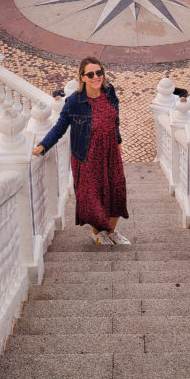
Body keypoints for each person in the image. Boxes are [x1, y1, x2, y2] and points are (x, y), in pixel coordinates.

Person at [33, 57, 129, 246]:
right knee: (93, 197)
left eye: (99, 72)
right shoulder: (74, 102)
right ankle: (98, 233)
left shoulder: (109, 92)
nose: (96, 77)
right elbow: (59, 128)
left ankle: (111, 232)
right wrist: (43, 146)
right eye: (91, 74)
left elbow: (115, 120)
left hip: (110, 153)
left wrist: (117, 140)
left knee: (117, 191)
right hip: (87, 156)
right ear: (82, 77)